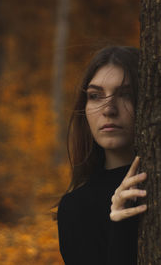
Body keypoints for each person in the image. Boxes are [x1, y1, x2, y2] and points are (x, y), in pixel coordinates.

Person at [57, 46, 148, 265]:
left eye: (125, 94)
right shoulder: (76, 208)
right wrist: (121, 225)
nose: (109, 109)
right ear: (84, 107)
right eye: (96, 96)